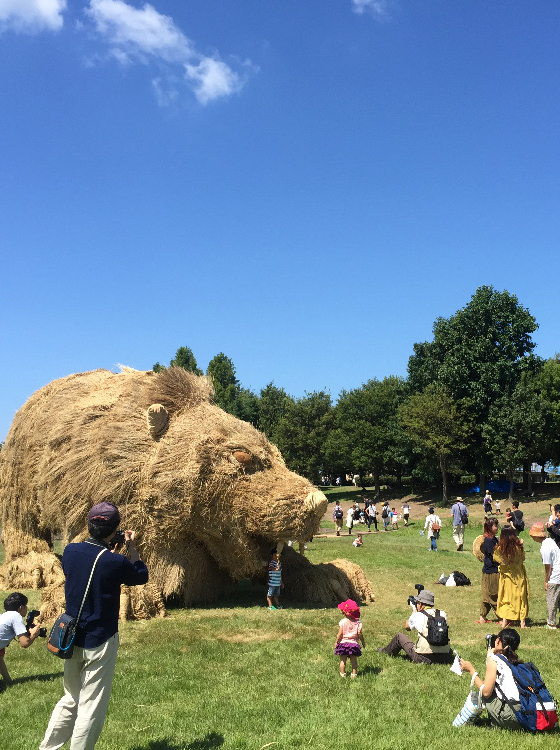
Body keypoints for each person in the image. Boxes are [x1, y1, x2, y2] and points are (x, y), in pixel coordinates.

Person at [39, 501, 148, 750]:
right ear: (114, 530)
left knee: (70, 699)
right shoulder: (115, 562)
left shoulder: (69, 551)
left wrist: (110, 546)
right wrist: (132, 549)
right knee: (91, 706)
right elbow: (141, 575)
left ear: (89, 525)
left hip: (71, 636)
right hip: (100, 639)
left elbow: (89, 564)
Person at [458, 629, 525, 729]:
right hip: (525, 714)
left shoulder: (494, 660)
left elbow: (486, 692)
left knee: (482, 692)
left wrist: (471, 670)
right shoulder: (517, 663)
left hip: (511, 717)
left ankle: (463, 721)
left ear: (498, 641)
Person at [378, 589, 453, 664]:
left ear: (420, 604)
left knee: (399, 637)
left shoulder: (418, 615)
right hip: (445, 657)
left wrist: (414, 610)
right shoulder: (442, 614)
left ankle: (385, 652)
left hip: (424, 658)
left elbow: (407, 627)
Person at [0, 592, 42, 687]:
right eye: (25, 606)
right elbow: (25, 643)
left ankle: (8, 683)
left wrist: (10, 683)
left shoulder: (4, 616)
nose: (26, 609)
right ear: (21, 607)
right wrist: (34, 634)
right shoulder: (16, 616)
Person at [493, 526, 529, 628]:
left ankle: (504, 621)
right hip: (519, 577)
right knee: (521, 599)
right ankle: (522, 623)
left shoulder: (499, 549)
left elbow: (496, 559)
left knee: (506, 599)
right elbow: (523, 558)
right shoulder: (518, 548)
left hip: (506, 579)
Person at [529, 522, 560, 629]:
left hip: (555, 576)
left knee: (551, 600)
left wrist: (546, 581)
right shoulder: (550, 541)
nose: (532, 537)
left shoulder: (545, 548)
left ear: (537, 535)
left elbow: (548, 567)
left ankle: (551, 623)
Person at [476, 518, 499, 624]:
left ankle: (482, 617)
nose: (497, 528)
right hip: (491, 571)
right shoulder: (489, 540)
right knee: (493, 594)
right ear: (490, 527)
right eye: (495, 526)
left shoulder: (493, 538)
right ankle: (501, 617)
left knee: (486, 595)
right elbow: (494, 555)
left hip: (490, 569)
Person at [334, 599, 365, 678]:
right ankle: (354, 675)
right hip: (354, 645)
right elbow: (359, 634)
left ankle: (342, 674)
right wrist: (363, 642)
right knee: (354, 660)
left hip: (343, 644)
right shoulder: (358, 623)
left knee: (343, 660)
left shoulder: (343, 622)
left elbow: (340, 633)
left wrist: (337, 642)